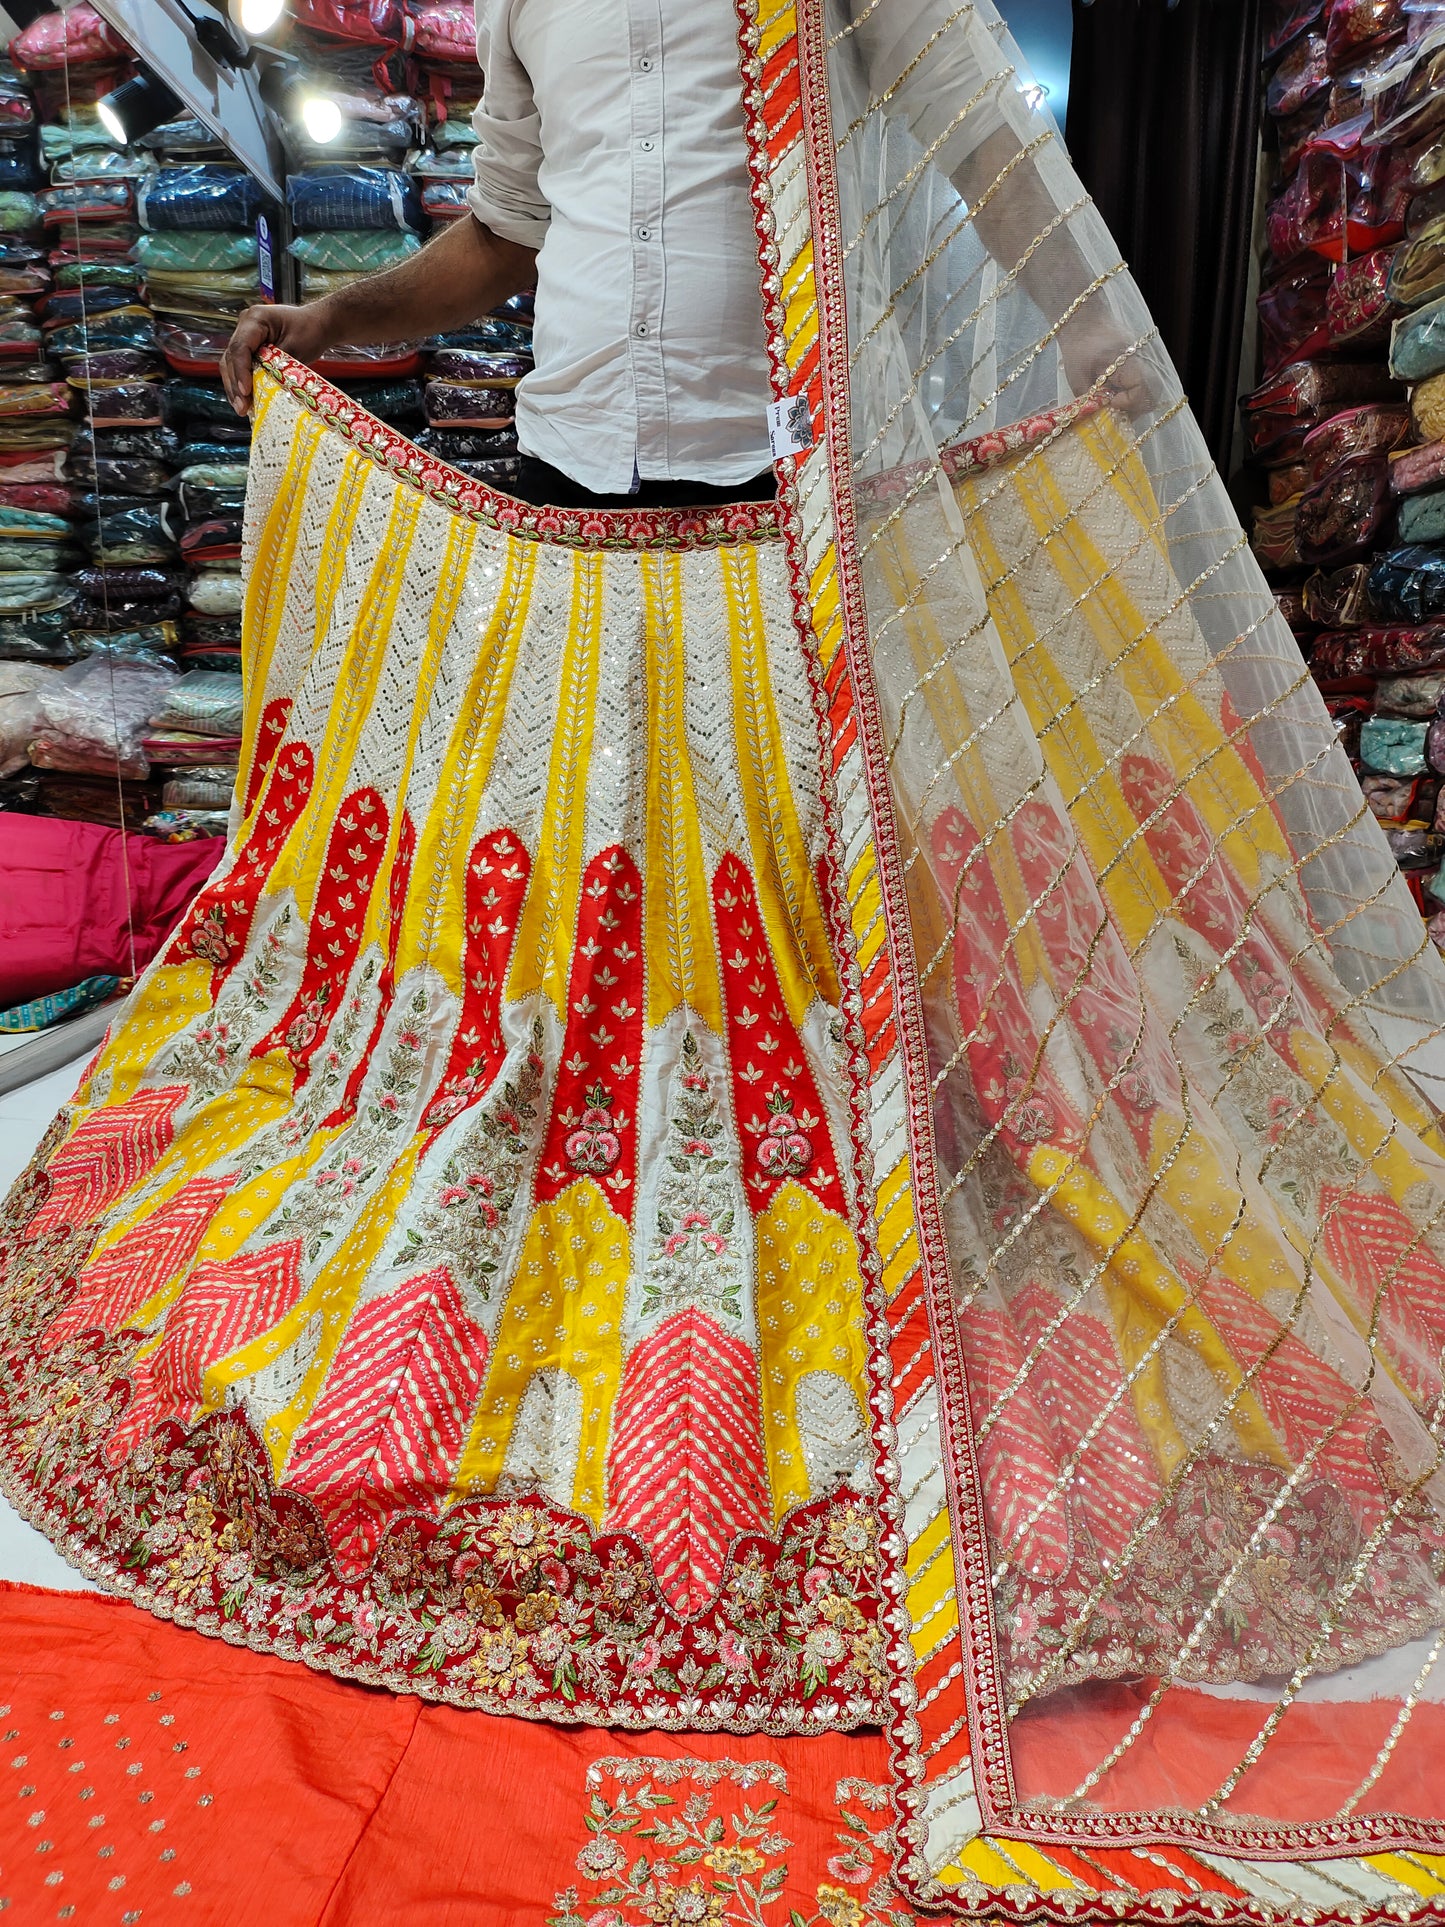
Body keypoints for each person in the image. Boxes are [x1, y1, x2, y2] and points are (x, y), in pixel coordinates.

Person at [8, 2, 1445, 1919]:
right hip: (580, 511)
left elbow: (1000, 180)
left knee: (814, 917)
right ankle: (597, 1196)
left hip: (811, 513)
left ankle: (873, 1194)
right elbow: (505, 237)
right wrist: (343, 322)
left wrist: (1127, 429)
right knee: (599, 936)